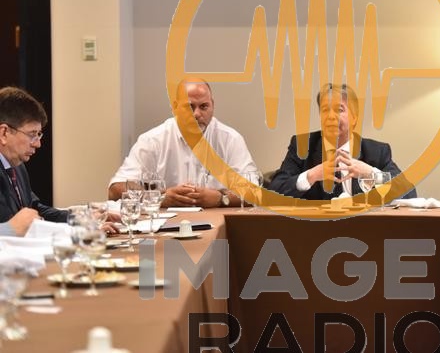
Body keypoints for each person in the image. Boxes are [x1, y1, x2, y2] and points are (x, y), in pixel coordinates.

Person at [108, 78, 258, 208]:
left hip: (219, 222)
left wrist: (220, 198)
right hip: (166, 224)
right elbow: (115, 190)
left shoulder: (230, 140)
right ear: (175, 107)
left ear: (212, 105)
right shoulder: (152, 140)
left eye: (204, 106)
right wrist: (159, 197)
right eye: (189, 107)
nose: (197, 114)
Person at [269, 83, 416, 201]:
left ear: (354, 118)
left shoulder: (376, 151)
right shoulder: (302, 147)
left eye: (339, 110)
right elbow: (274, 191)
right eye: (325, 110)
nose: (331, 116)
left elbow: (409, 192)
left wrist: (371, 173)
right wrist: (311, 175)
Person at [0, 86, 71, 227]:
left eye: (39, 135)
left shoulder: (17, 167)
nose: (38, 144)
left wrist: (81, 218)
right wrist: (10, 229)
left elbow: (34, 209)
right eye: (32, 134)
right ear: (4, 133)